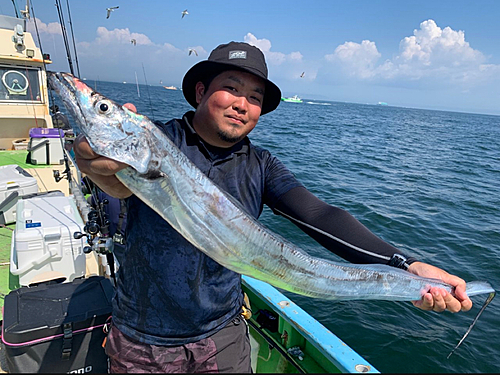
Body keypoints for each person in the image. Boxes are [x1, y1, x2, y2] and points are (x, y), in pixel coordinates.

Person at [73, 41, 472, 373]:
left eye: (255, 98)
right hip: (144, 340)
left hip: (224, 337)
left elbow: (319, 216)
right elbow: (115, 187)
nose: (242, 105)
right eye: (231, 88)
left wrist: (404, 265)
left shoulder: (260, 165)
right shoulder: (157, 141)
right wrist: (102, 169)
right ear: (200, 92)